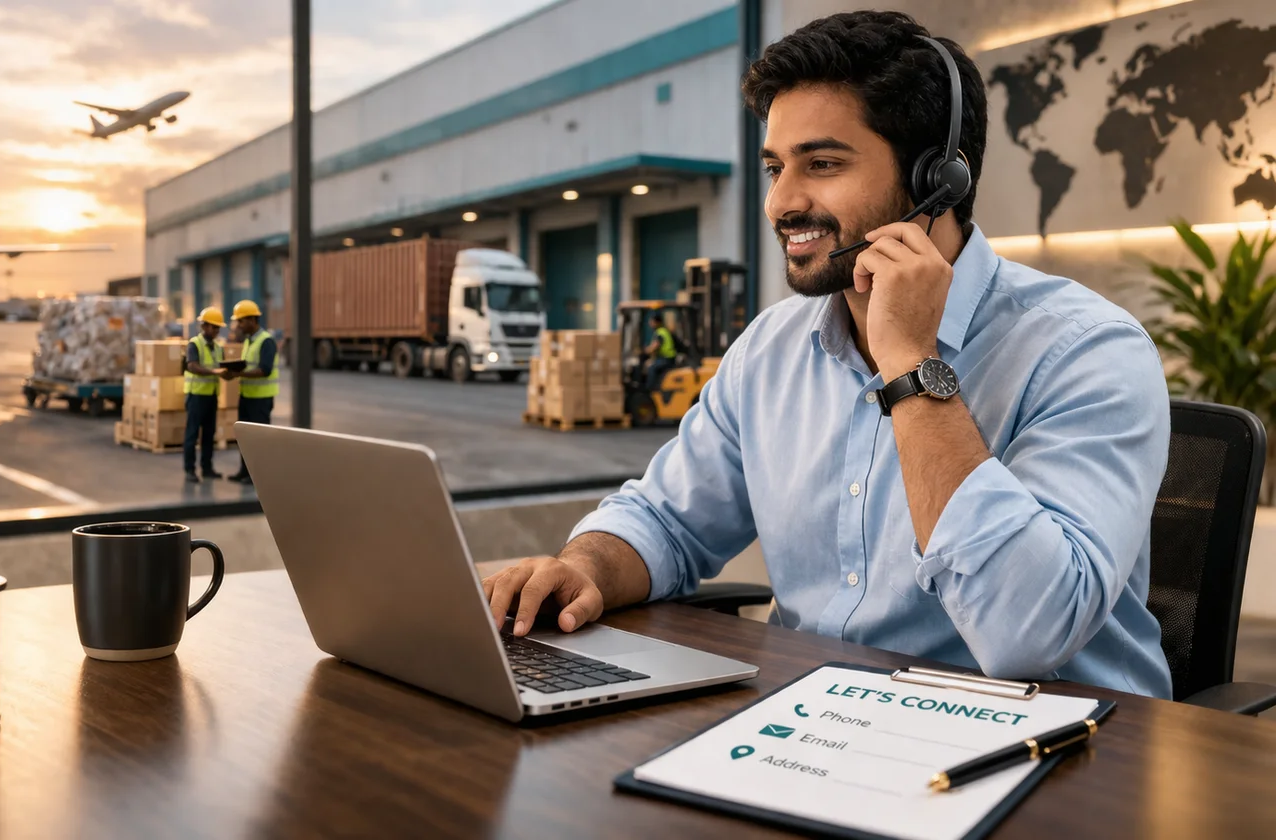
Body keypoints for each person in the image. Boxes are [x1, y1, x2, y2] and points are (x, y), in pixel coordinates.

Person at [482, 11, 1173, 698]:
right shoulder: (770, 350)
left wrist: (912, 365)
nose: (780, 203)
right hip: (815, 717)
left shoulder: (1086, 350)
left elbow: (1030, 633)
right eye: (775, 168)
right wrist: (586, 569)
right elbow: (665, 521)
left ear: (938, 178)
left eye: (822, 164)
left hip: (1053, 739)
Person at [221, 299, 278, 484]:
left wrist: (238, 374)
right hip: (246, 397)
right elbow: (248, 367)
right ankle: (244, 472)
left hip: (261, 400)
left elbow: (264, 370)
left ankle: (258, 477)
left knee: (259, 441)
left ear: (252, 320)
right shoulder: (248, 341)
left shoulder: (266, 341)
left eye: (241, 321)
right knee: (244, 438)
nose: (238, 325)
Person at [182, 306, 225, 484]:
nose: (216, 331)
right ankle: (190, 469)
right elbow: (192, 366)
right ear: (204, 326)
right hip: (196, 395)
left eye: (218, 328)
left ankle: (207, 468)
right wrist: (214, 372)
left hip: (211, 396)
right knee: (192, 433)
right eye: (213, 327)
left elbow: (221, 367)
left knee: (209, 433)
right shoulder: (194, 344)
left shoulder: (218, 348)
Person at [642, 313, 682, 393]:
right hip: (668, 358)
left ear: (657, 322)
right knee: (650, 364)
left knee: (651, 368)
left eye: (651, 321)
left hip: (667, 359)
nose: (650, 324)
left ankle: (650, 391)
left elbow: (655, 346)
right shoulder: (664, 331)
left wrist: (645, 351)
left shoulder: (660, 333)